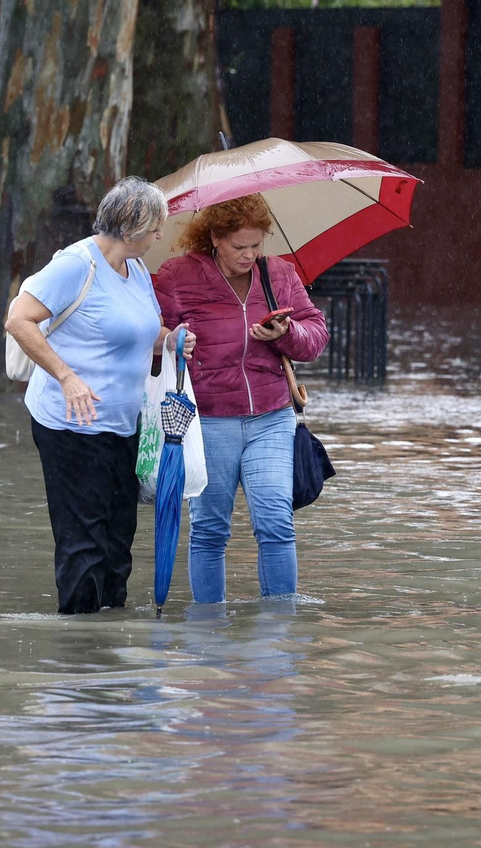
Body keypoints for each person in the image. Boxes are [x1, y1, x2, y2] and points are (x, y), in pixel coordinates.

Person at [6, 176, 195, 614]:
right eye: (155, 229)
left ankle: (109, 647)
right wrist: (66, 376)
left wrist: (171, 340)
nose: (159, 236)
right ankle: (79, 656)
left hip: (123, 425)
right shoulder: (76, 264)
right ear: (130, 228)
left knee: (117, 542)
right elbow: (19, 320)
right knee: (83, 543)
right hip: (71, 425)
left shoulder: (137, 270)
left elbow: (139, 333)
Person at [153, 193, 328, 603]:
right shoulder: (177, 275)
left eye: (256, 244)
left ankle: (279, 629)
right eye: (239, 246)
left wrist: (286, 334)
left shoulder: (279, 274)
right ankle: (209, 631)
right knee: (210, 530)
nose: (250, 254)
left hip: (272, 415)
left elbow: (316, 337)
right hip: (208, 418)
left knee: (276, 522)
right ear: (214, 236)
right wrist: (173, 341)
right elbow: (148, 338)